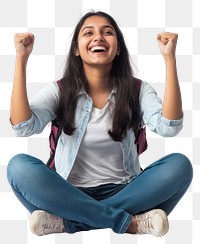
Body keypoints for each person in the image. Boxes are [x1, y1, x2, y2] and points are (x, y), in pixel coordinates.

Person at [7, 11, 193, 237]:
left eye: (107, 32)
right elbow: (23, 126)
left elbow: (169, 127)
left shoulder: (138, 90)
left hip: (127, 189)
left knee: (180, 166)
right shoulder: (60, 90)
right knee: (18, 167)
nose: (98, 37)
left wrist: (169, 59)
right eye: (89, 33)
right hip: (67, 191)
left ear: (118, 48)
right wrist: (21, 59)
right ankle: (130, 223)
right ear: (76, 48)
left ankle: (68, 223)